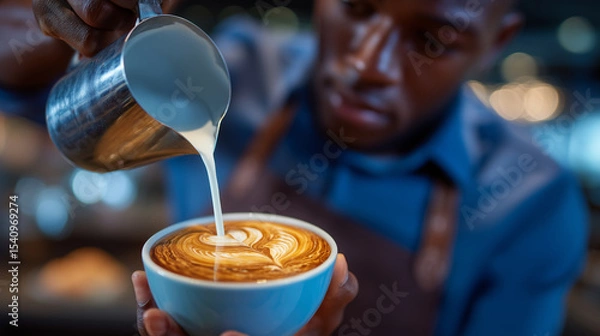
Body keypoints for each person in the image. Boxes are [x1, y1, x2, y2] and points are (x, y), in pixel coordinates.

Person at [1, 0, 589, 335]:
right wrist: (44, 22)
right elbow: (30, 88)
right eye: (356, 8)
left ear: (498, 39)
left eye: (434, 38)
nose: (366, 63)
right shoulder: (218, 71)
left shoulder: (530, 203)